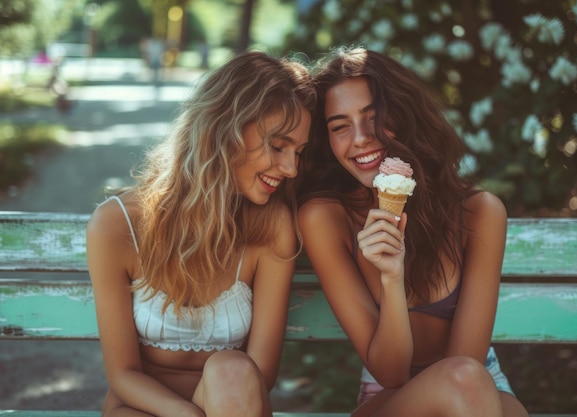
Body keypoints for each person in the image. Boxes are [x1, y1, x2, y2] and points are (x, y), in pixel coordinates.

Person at [296, 47, 529, 417]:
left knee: (474, 386)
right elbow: (390, 374)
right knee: (464, 383)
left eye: (374, 118)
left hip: (478, 386)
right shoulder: (326, 219)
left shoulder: (479, 213)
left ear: (405, 117)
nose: (359, 138)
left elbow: (465, 364)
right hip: (389, 396)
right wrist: (392, 279)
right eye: (340, 126)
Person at [86, 51, 315, 417]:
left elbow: (261, 374)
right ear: (226, 129)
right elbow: (123, 374)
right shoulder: (116, 226)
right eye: (278, 146)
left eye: (298, 152)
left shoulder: (272, 226)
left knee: (233, 370)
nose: (290, 168)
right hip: (143, 407)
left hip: (232, 402)